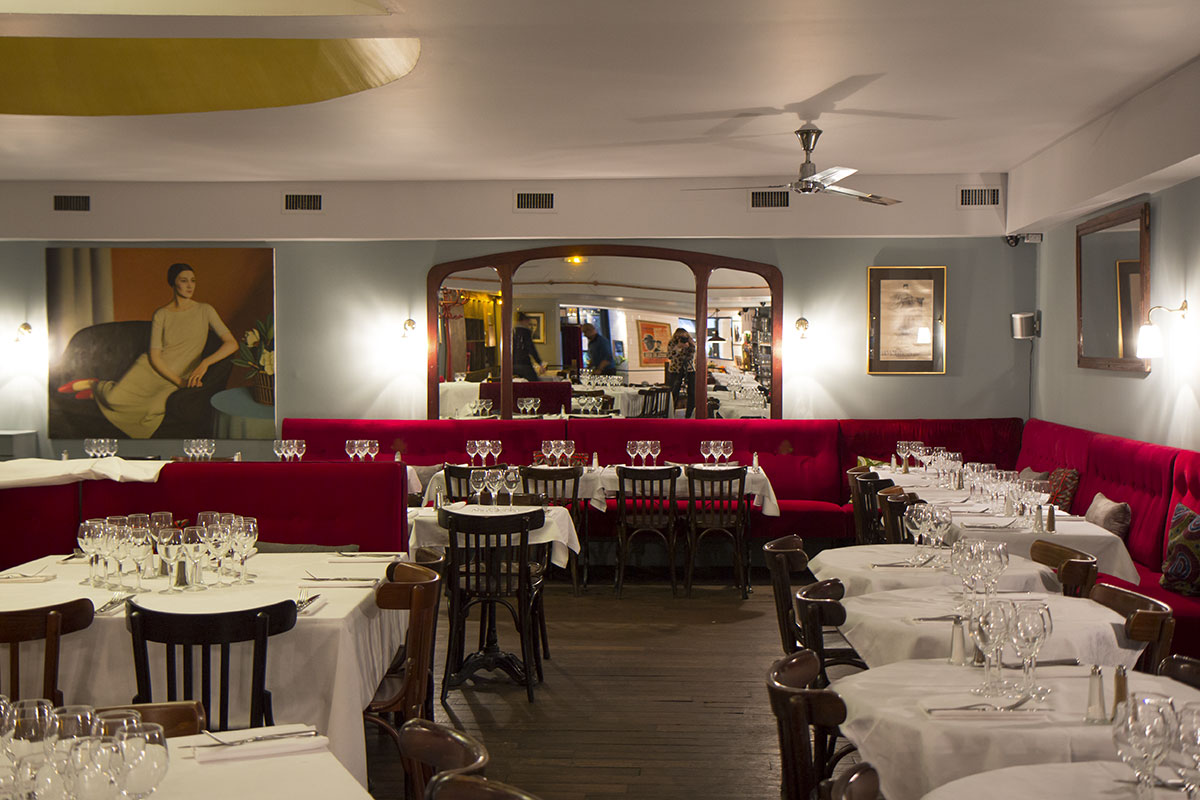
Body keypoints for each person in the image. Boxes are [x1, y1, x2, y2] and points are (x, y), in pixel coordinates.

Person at [57, 262, 239, 438]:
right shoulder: (162, 314)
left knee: (151, 410)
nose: (190, 285)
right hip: (152, 368)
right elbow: (155, 356)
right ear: (173, 283)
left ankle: (97, 395)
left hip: (182, 372)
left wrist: (205, 363)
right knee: (114, 399)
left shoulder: (205, 310)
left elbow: (232, 344)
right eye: (184, 281)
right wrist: (179, 382)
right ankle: (96, 385)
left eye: (193, 280)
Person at [666, 328, 696, 418]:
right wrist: (678, 348)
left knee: (692, 392)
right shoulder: (672, 343)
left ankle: (689, 414)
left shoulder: (690, 344)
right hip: (675, 369)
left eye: (684, 338)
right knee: (673, 392)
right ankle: (670, 413)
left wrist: (686, 347)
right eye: (680, 338)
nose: (683, 340)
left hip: (689, 369)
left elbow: (691, 357)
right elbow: (669, 356)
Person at [513, 311, 546, 382]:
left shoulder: (513, 332)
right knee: (534, 383)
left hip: (513, 364)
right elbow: (531, 349)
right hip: (524, 363)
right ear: (524, 321)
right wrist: (540, 363)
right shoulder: (525, 332)